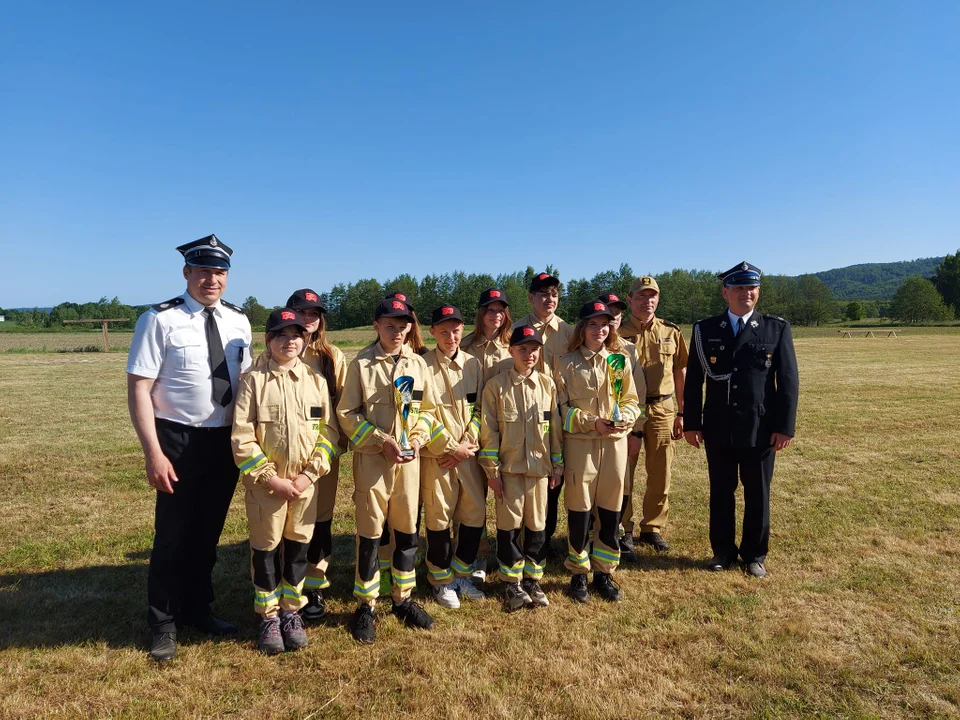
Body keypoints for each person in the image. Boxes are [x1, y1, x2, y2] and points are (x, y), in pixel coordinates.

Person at [126, 234, 252, 662]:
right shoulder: (159, 320)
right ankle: (162, 623)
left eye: (219, 272)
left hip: (224, 441)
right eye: (203, 271)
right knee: (172, 537)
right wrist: (153, 452)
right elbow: (139, 388)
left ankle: (199, 609)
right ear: (186, 273)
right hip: (177, 440)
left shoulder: (240, 321)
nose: (211, 279)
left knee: (207, 535)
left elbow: (248, 386)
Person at [231, 308, 340, 654]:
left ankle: (291, 612)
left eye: (296, 335)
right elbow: (242, 438)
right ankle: (268, 616)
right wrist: (270, 478)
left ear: (305, 339)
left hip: (305, 488)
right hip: (267, 489)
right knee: (265, 552)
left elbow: (329, 433)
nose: (289, 341)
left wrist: (310, 474)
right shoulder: (252, 380)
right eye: (281, 335)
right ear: (268, 339)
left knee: (297, 550)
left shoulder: (316, 381)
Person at [683, 262, 798, 578]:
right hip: (718, 427)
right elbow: (694, 380)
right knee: (720, 491)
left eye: (751, 288)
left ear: (758, 292)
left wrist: (784, 426)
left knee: (758, 494)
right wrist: (691, 422)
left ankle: (754, 554)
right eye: (738, 288)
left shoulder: (776, 329)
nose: (746, 293)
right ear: (725, 292)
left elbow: (788, 381)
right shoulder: (705, 330)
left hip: (760, 429)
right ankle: (722, 551)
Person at [337, 298, 442, 643]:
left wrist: (418, 436)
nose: (397, 332)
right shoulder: (362, 364)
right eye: (390, 325)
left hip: (408, 464)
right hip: (373, 461)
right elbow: (347, 413)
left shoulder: (417, 364)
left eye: (403, 325)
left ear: (411, 327)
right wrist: (381, 439)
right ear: (377, 325)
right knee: (370, 534)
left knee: (406, 530)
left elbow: (427, 410)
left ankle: (403, 599)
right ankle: (366, 605)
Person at [555, 301, 641, 602]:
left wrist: (626, 418)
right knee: (579, 512)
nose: (600, 329)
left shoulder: (619, 361)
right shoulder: (565, 363)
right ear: (582, 328)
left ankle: (605, 572)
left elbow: (631, 400)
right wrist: (592, 423)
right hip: (581, 447)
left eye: (605, 324)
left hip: (615, 447)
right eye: (593, 324)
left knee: (610, 511)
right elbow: (561, 411)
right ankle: (578, 573)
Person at [479, 325, 563, 612]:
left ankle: (532, 580)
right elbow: (489, 432)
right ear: (512, 351)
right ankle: (511, 582)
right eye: (523, 349)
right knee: (509, 528)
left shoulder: (547, 386)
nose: (529, 354)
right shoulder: (496, 387)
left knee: (537, 527)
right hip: (510, 472)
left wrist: (557, 464)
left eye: (534, 349)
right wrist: (493, 471)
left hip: (539, 471)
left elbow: (554, 430)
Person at [420, 304, 487, 607]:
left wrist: (467, 444)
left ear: (463, 330)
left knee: (474, 515)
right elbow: (421, 415)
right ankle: (440, 580)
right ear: (432, 332)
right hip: (438, 458)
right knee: (438, 518)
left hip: (467, 455)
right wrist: (449, 447)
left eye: (456, 330)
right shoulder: (420, 366)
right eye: (444, 331)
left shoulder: (473, 364)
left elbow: (480, 409)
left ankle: (462, 574)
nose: (451, 336)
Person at [618, 276, 688, 555]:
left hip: (662, 409)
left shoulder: (671, 331)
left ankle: (652, 528)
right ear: (630, 299)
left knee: (661, 471)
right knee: (623, 471)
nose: (648, 300)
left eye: (652, 296)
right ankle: (623, 527)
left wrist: (683, 412)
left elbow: (680, 372)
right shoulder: (617, 332)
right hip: (629, 408)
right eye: (641, 295)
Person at [511, 272, 574, 561]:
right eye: (544, 294)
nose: (550, 300)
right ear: (531, 298)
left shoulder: (569, 332)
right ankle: (521, 538)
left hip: (560, 414)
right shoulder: (517, 329)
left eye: (554, 294)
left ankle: (544, 539)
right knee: (526, 478)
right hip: (526, 414)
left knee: (554, 479)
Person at [597, 292, 648, 556]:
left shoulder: (628, 351)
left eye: (617, 313)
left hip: (620, 433)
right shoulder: (580, 349)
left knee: (621, 485)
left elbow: (635, 397)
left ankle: (615, 532)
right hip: (590, 433)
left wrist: (635, 431)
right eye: (608, 312)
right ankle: (589, 535)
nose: (614, 317)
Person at [462, 288, 513, 383]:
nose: (497, 314)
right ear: (481, 313)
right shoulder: (464, 346)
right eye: (491, 310)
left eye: (501, 310)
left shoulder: (515, 346)